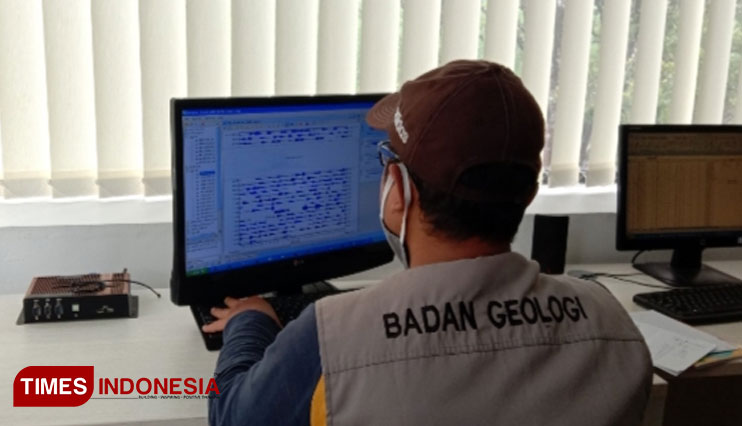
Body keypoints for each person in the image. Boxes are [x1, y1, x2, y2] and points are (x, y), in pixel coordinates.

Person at [204, 60, 652, 426]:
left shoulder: (331, 336)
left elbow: (231, 417)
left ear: (397, 190)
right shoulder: (610, 318)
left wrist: (250, 322)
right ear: (529, 194)